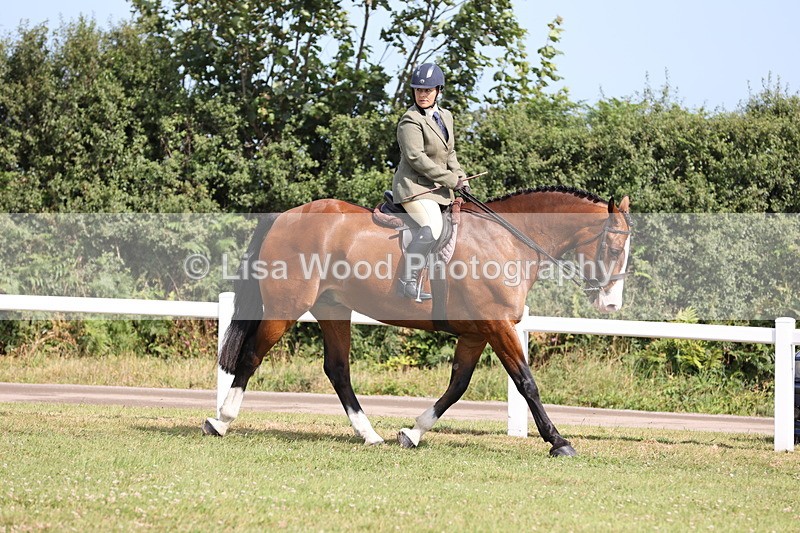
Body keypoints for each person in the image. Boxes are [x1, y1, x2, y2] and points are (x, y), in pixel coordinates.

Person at [392, 62, 470, 300]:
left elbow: (450, 154)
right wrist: (450, 179)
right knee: (433, 228)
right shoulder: (410, 120)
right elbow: (417, 159)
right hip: (414, 189)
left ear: (438, 91)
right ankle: (407, 281)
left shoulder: (446, 116)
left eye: (427, 90)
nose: (422, 94)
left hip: (437, 189)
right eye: (418, 90)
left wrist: (461, 178)